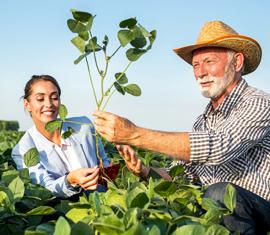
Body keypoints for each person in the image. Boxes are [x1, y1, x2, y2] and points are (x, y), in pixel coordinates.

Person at [93, 21, 270, 234]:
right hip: (223, 213)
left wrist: (134, 134)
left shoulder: (258, 102)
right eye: (196, 65)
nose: (201, 72)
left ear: (237, 62)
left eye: (209, 61)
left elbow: (221, 146)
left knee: (220, 193)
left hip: (263, 208)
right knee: (206, 200)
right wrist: (145, 171)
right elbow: (182, 176)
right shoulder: (202, 122)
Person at [12, 75, 110, 198]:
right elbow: (44, 188)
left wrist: (114, 170)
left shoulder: (83, 125)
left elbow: (104, 162)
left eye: (54, 97)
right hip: (62, 212)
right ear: (27, 104)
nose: (49, 104)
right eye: (40, 99)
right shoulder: (23, 149)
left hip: (103, 203)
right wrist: (69, 180)